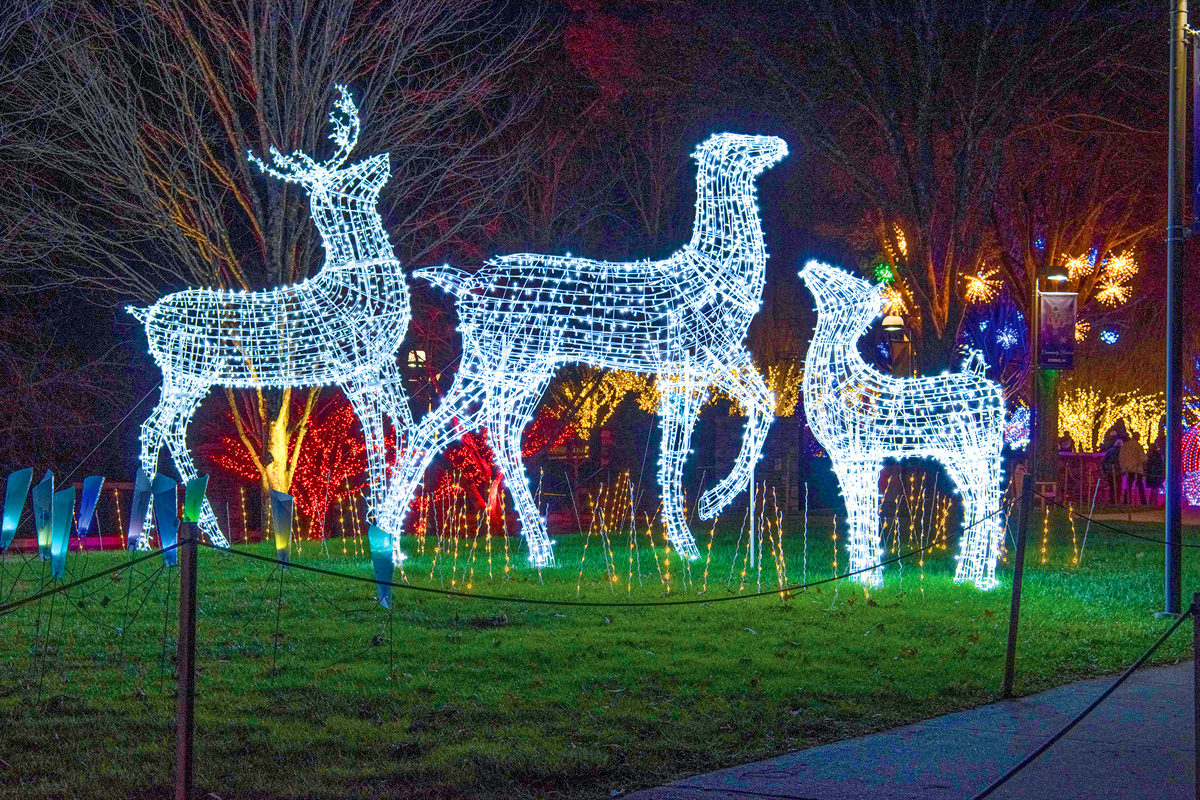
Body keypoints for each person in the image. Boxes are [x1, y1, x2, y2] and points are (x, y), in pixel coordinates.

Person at [1119, 431, 1147, 505]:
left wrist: (1123, 466)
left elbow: (1121, 457)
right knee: (1140, 486)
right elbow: (1143, 458)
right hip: (1136, 468)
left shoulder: (1125, 445)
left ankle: (1126, 501)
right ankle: (1143, 502)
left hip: (1128, 468)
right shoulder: (1138, 446)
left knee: (1129, 485)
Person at [1146, 435, 1165, 507]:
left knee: (1154, 488)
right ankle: (1154, 502)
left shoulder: (1150, 455)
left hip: (1152, 473)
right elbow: (1160, 464)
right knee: (1155, 488)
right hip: (1156, 473)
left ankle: (1152, 502)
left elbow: (1149, 464)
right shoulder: (1158, 455)